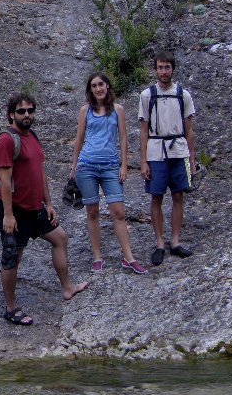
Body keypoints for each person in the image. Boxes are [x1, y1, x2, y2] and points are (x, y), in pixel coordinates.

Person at [0, 92, 85, 325]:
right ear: (11, 114)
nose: (26, 115)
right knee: (13, 256)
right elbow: (4, 180)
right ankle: (11, 308)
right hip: (15, 210)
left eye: (30, 111)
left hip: (35, 207)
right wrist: (9, 215)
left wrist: (49, 203)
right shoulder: (5, 140)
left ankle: (67, 288)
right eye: (21, 111)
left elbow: (40, 173)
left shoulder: (32, 136)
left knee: (60, 238)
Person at [70, 72, 150, 275]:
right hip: (86, 165)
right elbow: (79, 139)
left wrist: (124, 165)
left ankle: (129, 257)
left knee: (118, 212)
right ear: (90, 89)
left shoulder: (118, 110)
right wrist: (73, 167)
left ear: (107, 86)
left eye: (101, 85)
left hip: (110, 166)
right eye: (94, 86)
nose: (98, 89)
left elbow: (123, 138)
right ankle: (97, 256)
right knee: (92, 212)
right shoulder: (85, 110)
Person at [138, 52, 198, 263]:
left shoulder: (183, 95)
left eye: (167, 67)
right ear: (155, 69)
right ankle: (159, 243)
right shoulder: (147, 95)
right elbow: (143, 129)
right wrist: (143, 161)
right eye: (160, 67)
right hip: (156, 150)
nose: (164, 71)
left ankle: (175, 241)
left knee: (178, 195)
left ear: (173, 69)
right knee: (156, 196)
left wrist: (191, 160)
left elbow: (189, 130)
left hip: (178, 150)